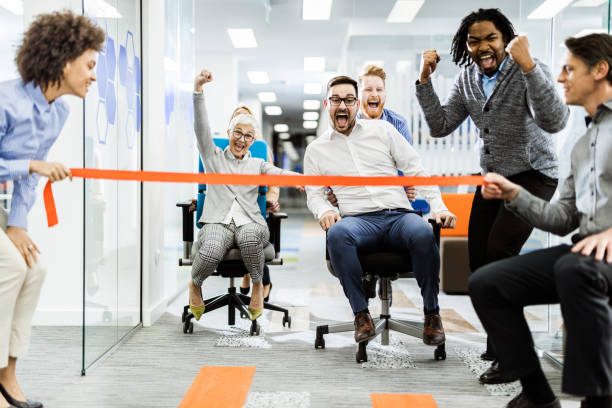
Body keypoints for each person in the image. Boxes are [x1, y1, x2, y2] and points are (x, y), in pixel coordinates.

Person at [415, 7, 569, 383]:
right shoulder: (467, 78)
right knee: (479, 263)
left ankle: (512, 356)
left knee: (500, 255)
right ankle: (500, 340)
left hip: (534, 175)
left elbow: (554, 120)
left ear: (505, 39)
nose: (482, 47)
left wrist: (530, 66)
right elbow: (439, 125)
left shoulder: (527, 67)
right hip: (493, 178)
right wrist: (424, 81)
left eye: (490, 38)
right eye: (474, 40)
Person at [469, 33, 612, 408]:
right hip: (586, 252)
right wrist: (514, 195)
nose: (561, 78)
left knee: (574, 270)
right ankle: (537, 397)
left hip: (597, 258)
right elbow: (562, 218)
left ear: (600, 70)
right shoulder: (582, 144)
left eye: (569, 69)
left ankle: (596, 401)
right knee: (487, 283)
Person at [0, 11, 105, 408]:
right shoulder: (6, 99)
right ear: (65, 61)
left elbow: (31, 180)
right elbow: (32, 168)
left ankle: (7, 373)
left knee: (35, 267)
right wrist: (30, 164)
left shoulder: (58, 111)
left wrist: (17, 225)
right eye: (89, 65)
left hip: (2, 205)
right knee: (11, 267)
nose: (93, 75)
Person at [304, 75, 456, 345]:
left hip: (398, 215)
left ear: (356, 103)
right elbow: (315, 194)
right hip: (357, 222)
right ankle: (361, 315)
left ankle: (432, 315)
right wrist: (324, 210)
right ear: (327, 104)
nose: (343, 106)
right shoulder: (316, 150)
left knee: (423, 232)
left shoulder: (383, 131)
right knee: (338, 234)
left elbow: (415, 169)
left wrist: (439, 206)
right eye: (336, 100)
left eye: (349, 100)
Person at [189, 69, 302, 322]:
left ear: (254, 140)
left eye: (248, 136)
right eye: (237, 133)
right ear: (229, 133)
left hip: (251, 222)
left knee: (251, 237)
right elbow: (201, 127)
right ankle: (195, 284)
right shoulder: (212, 157)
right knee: (211, 250)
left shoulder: (258, 163)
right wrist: (198, 90)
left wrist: (300, 180)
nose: (242, 140)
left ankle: (258, 286)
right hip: (217, 221)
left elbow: (278, 172)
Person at [326, 65, 418, 303]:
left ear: (385, 94)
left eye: (379, 89)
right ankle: (363, 281)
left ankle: (378, 271)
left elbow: (407, 164)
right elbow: (332, 167)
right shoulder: (345, 124)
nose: (373, 94)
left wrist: (407, 184)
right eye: (367, 89)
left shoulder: (397, 124)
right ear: (359, 96)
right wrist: (330, 192)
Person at [229, 106, 279, 302]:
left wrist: (272, 198)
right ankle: (248, 274)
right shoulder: (222, 150)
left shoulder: (260, 148)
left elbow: (274, 180)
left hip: (255, 210)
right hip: (229, 212)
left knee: (252, 237)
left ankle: (261, 280)